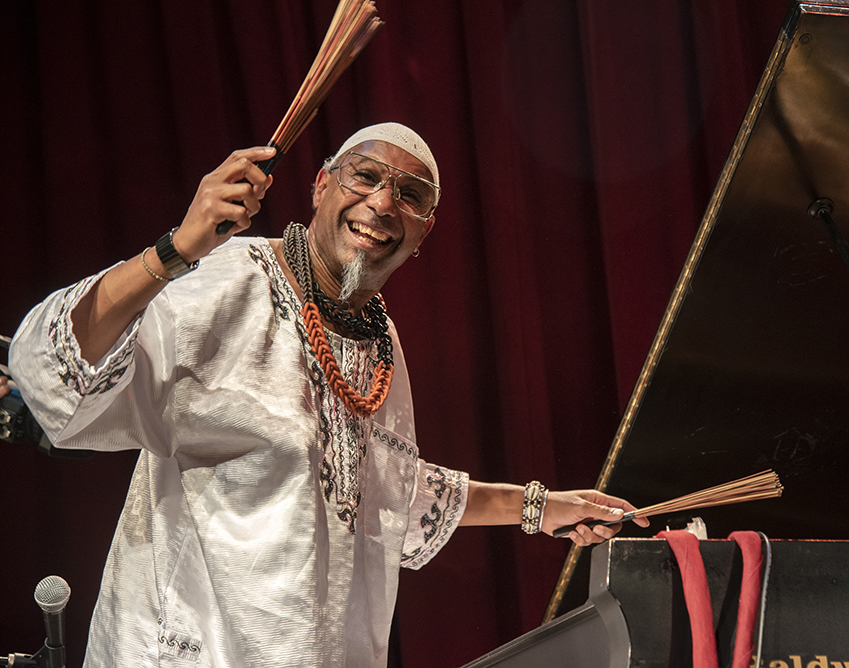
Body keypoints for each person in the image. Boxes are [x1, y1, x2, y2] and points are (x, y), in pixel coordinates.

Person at [9, 123, 648, 668]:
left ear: (424, 231)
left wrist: (542, 507)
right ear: (319, 186)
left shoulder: (379, 342)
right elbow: (50, 372)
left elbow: (388, 488)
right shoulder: (227, 283)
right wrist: (174, 252)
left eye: (410, 195)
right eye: (363, 177)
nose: (382, 202)